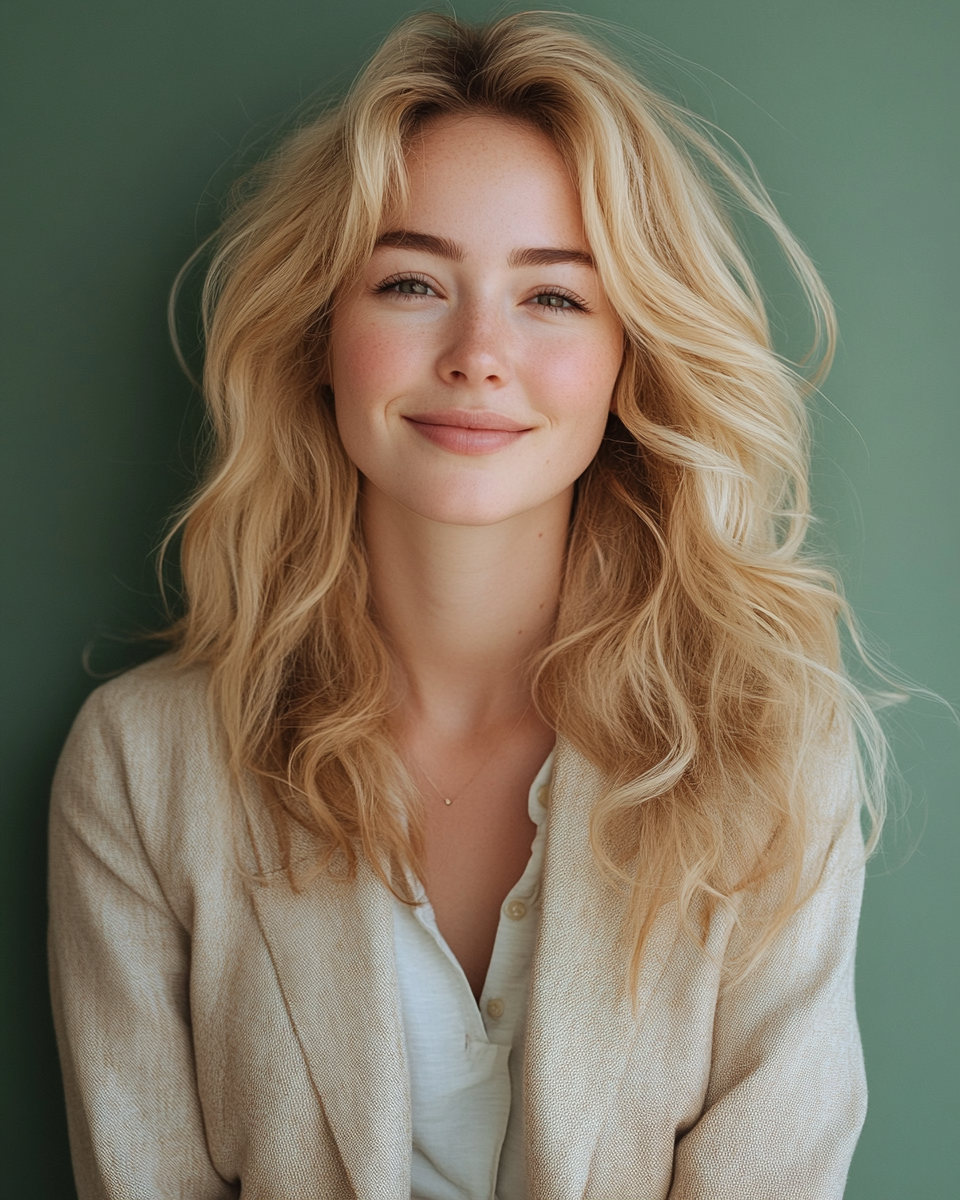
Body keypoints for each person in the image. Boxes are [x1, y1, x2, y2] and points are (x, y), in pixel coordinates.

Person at [48, 12, 885, 1199]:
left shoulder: (772, 755)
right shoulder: (141, 767)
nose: (479, 352)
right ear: (319, 339)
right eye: (410, 282)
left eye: (552, 299)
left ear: (626, 361)